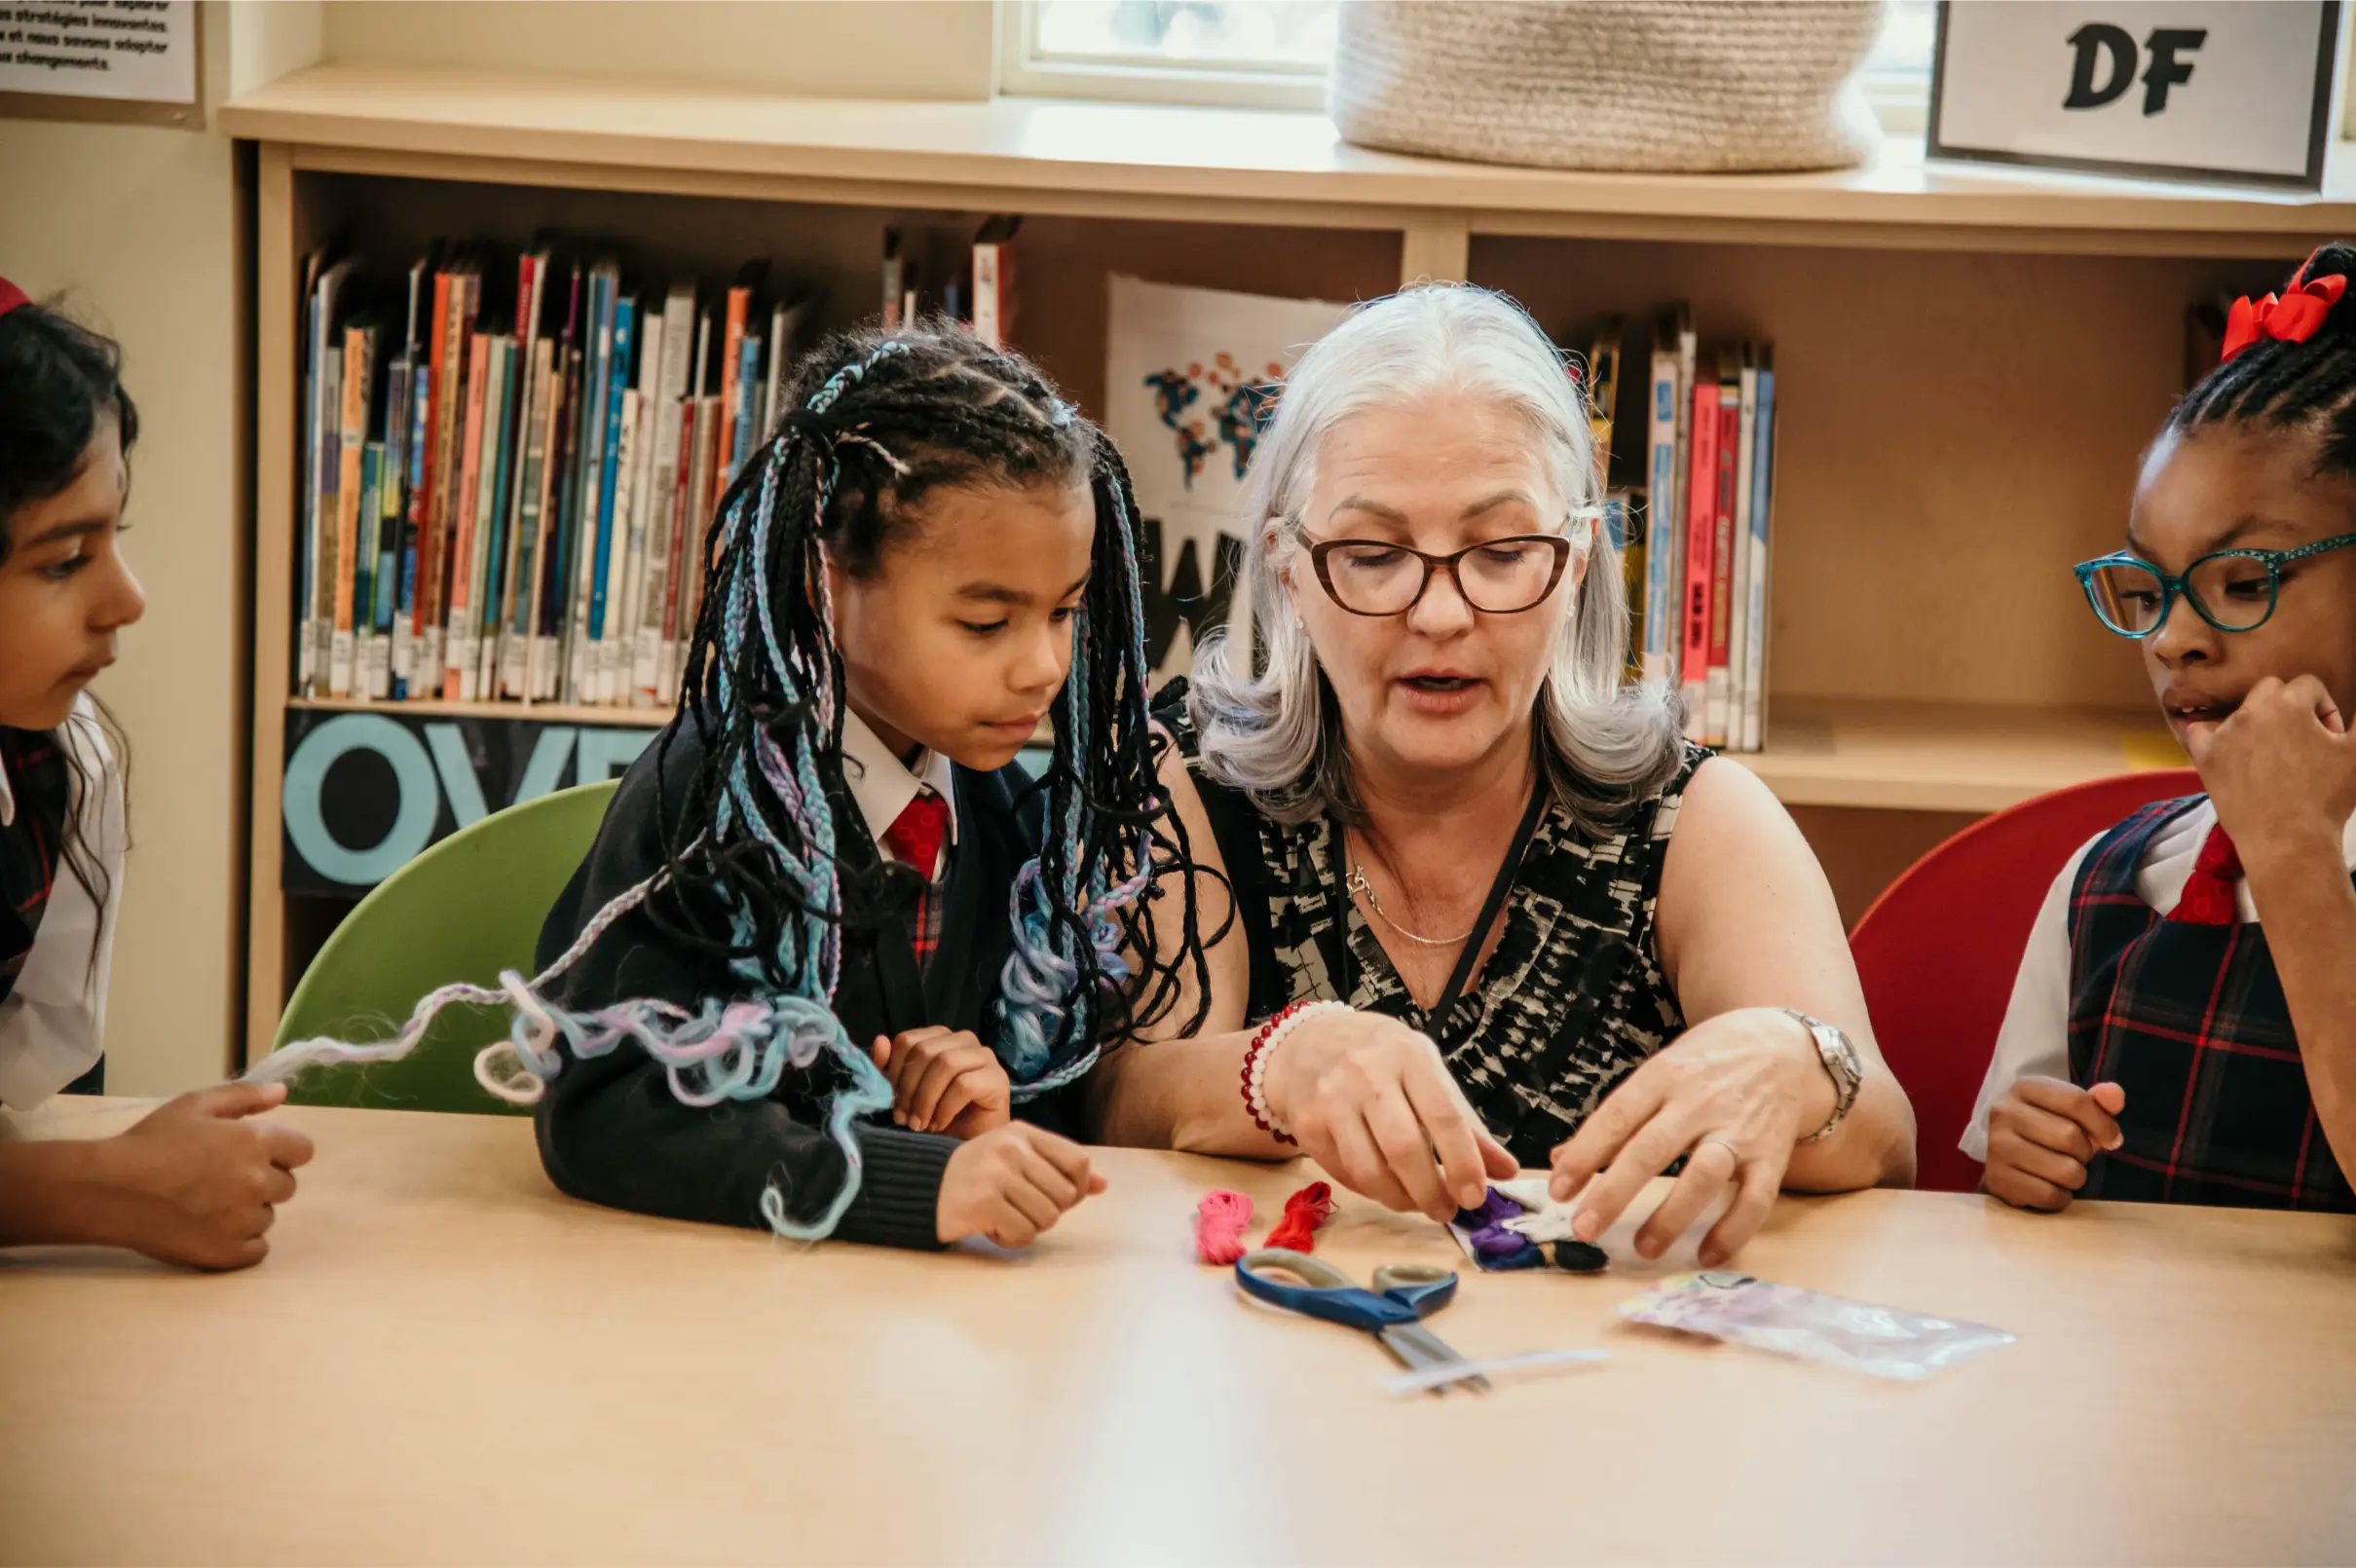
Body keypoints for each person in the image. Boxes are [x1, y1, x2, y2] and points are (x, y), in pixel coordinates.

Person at [254, 323, 1209, 1251]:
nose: (1042, 666)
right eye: (985, 621)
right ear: (822, 580)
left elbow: (1015, 1086)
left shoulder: (990, 804)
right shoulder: (713, 796)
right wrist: (911, 1181)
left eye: (1064, 613)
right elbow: (604, 1115)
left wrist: (984, 1116)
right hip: (687, 1321)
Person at [1092, 285, 1914, 1268]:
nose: (1439, 613)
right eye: (1372, 552)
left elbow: (1885, 1141)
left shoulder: (1693, 816)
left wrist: (1800, 1064)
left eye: (1501, 551)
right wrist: (1275, 1063)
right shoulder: (1191, 777)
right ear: (1286, 573)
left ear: (1574, 564)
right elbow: (1120, 1102)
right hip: (1278, 1369)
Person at [1967, 244, 2356, 1213]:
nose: (2173, 638)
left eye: (2244, 583)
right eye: (2148, 588)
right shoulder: (2105, 881)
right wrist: (2023, 1153)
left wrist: (2295, 857)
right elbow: (2005, 1159)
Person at [0, 279, 315, 1269]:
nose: (126, 599)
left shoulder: (61, 767)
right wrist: (110, 1187)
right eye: (63, 559)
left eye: (115, 537)